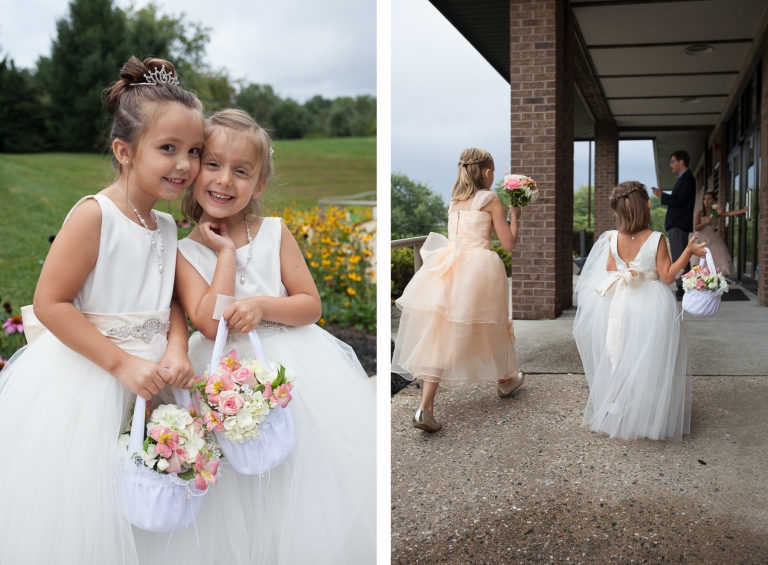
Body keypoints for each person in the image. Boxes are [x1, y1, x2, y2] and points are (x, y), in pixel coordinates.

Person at [0, 56, 203, 563]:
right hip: (94, 376)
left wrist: (178, 345)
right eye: (168, 148)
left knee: (153, 498)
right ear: (124, 151)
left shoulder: (165, 224)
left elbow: (171, 301)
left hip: (155, 377)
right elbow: (50, 302)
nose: (185, 164)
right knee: (90, 510)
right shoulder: (97, 214)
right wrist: (121, 363)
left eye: (194, 151)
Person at [173, 108, 376, 564]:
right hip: (220, 372)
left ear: (260, 184)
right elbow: (210, 324)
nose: (224, 180)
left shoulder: (274, 233)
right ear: (194, 168)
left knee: (299, 476)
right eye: (213, 164)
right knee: (238, 489)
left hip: (291, 367)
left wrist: (264, 306)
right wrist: (225, 254)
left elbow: (310, 305)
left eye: (241, 171)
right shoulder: (185, 252)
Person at [391, 148, 522, 433]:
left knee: (441, 332)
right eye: (492, 170)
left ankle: (425, 407)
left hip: (448, 265)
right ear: (486, 172)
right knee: (493, 321)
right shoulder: (490, 200)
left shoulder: (455, 201)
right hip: (479, 268)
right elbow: (509, 243)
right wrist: (515, 214)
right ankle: (505, 379)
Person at [573, 181, 707, 441]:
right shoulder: (657, 238)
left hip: (620, 302)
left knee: (619, 352)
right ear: (646, 205)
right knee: (651, 355)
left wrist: (627, 270)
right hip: (651, 305)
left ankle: (617, 405)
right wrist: (688, 252)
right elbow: (668, 277)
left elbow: (610, 270)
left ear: (618, 212)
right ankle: (649, 413)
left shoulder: (613, 238)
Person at [652, 150, 696, 298]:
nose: (670, 165)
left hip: (679, 223)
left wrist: (662, 195)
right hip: (678, 223)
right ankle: (684, 287)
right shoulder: (684, 178)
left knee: (679, 257)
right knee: (680, 255)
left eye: (672, 161)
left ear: (680, 162)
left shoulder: (687, 178)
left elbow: (679, 201)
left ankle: (684, 289)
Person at [691, 191, 747, 276]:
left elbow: (728, 213)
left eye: (709, 199)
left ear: (713, 201)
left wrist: (742, 210)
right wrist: (706, 222)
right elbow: (696, 227)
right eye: (704, 199)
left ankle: (713, 279)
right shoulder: (700, 213)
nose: (706, 201)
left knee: (716, 259)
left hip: (713, 238)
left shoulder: (715, 212)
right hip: (701, 238)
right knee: (701, 260)